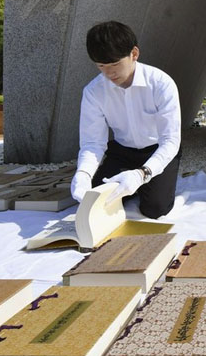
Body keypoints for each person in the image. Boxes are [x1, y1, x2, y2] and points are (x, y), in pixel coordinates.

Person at [70, 20, 182, 217]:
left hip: (156, 148)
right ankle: (132, 184)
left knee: (155, 209)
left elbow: (171, 141)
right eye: (101, 65)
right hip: (122, 151)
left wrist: (142, 174)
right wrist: (83, 174)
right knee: (97, 201)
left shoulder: (161, 84)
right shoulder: (93, 91)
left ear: (134, 54)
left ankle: (147, 183)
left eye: (115, 63)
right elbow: (92, 143)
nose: (109, 72)